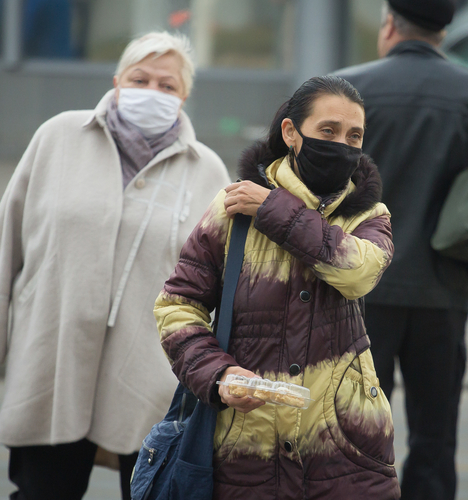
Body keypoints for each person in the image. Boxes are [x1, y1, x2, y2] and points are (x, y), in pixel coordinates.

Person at [0, 32, 230, 499]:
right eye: (140, 78)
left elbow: (222, 281)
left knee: (151, 492)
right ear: (117, 81)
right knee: (43, 491)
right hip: (53, 357)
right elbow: (6, 238)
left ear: (184, 96)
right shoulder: (58, 137)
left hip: (149, 373)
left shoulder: (206, 170)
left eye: (167, 85)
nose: (152, 92)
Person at [153, 75, 400, 499]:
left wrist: (272, 207)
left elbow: (357, 272)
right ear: (291, 133)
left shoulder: (369, 215)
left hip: (346, 447)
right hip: (245, 447)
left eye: (353, 135)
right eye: (328, 131)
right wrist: (218, 374)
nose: (342, 144)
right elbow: (178, 306)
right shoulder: (232, 208)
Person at [335, 1, 468, 499]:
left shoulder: (345, 91)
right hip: (445, 292)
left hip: (355, 291)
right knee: (435, 439)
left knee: (349, 434)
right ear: (444, 32)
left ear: (390, 25)